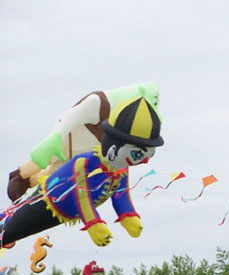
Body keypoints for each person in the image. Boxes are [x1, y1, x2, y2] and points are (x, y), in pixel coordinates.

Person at [7, 82, 160, 202]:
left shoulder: (127, 125)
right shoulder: (100, 104)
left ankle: (31, 186)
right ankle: (20, 176)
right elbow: (71, 116)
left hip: (79, 157)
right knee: (47, 158)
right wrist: (55, 138)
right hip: (66, 142)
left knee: (56, 176)